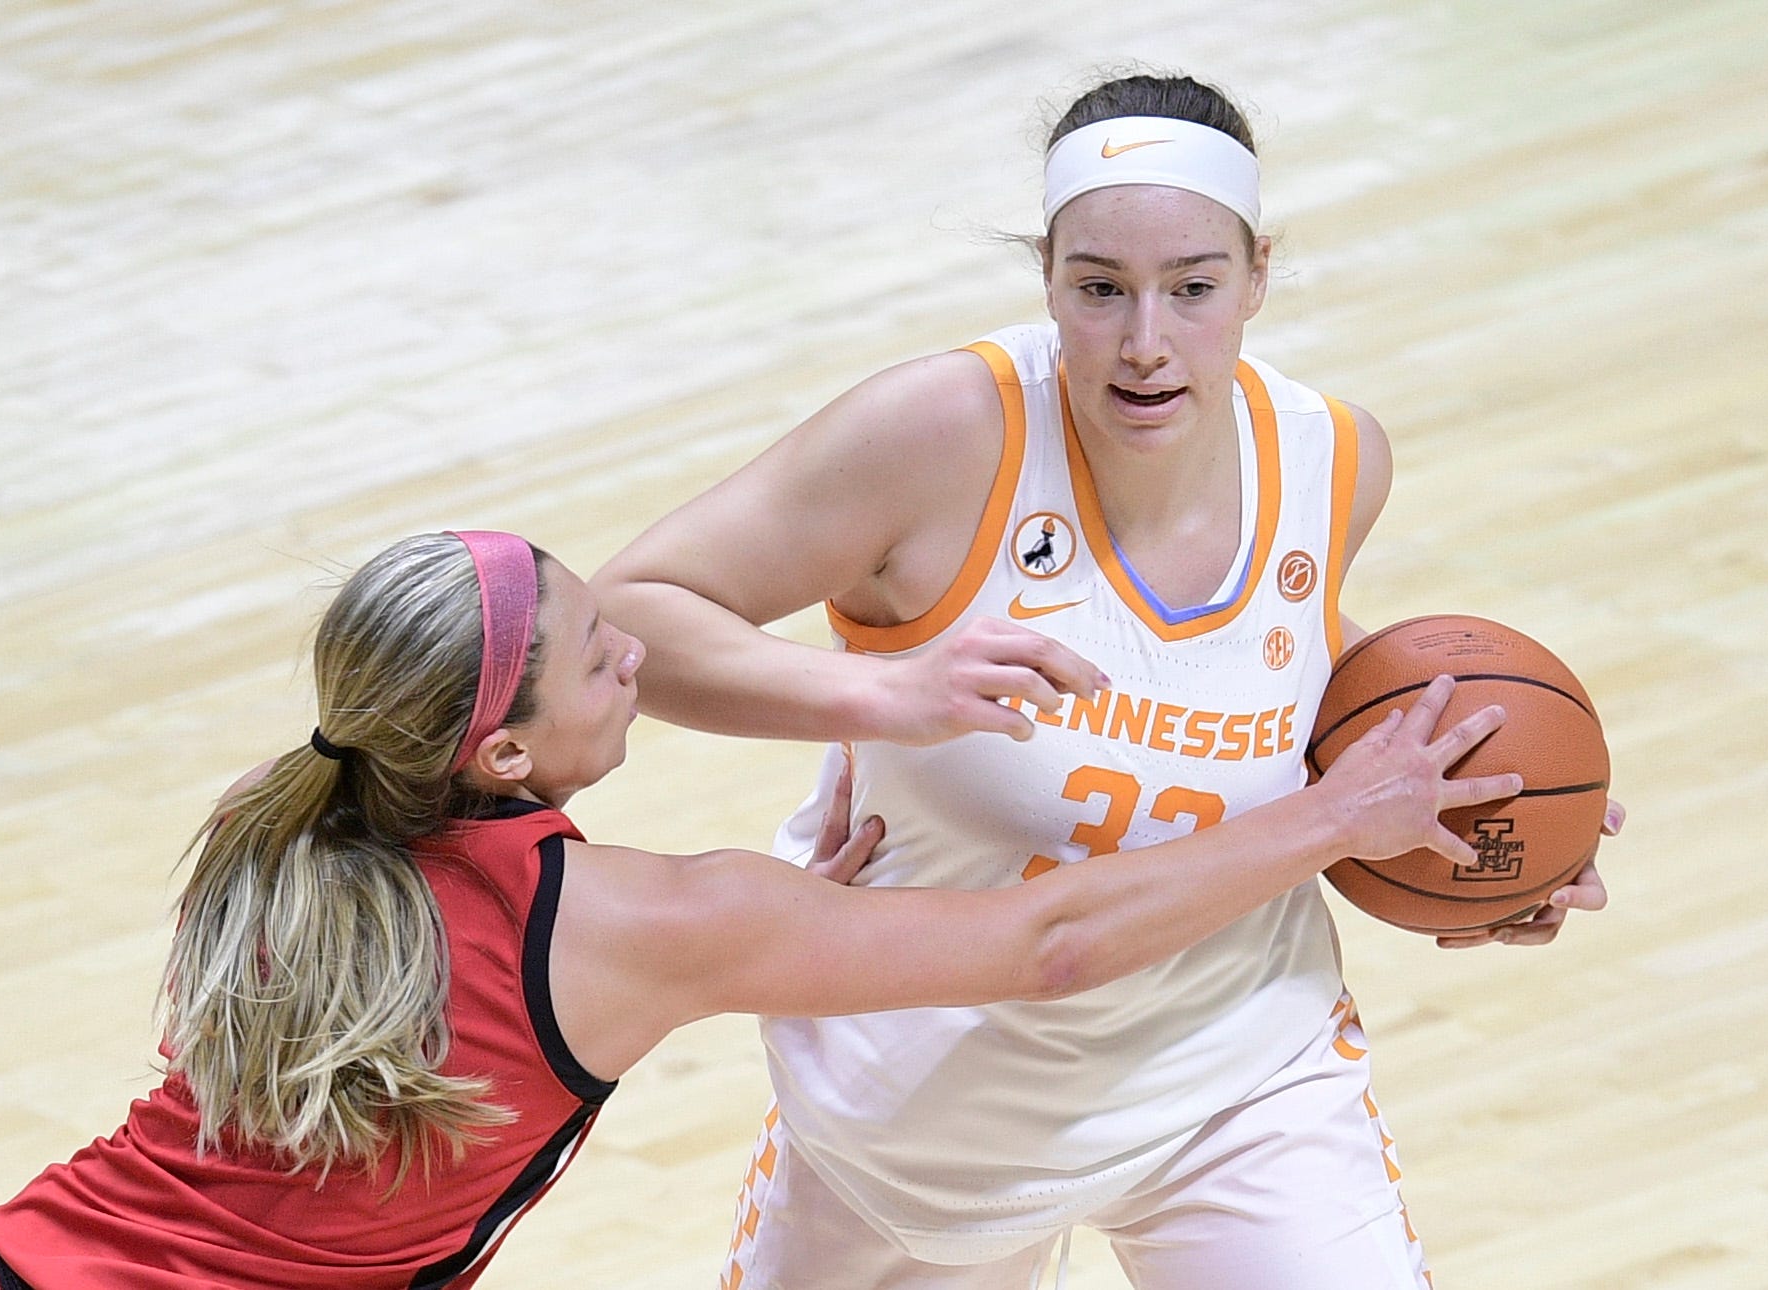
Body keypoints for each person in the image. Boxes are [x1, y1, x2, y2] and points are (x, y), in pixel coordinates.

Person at [594, 74, 1623, 1288]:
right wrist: (879, 692)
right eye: (1100, 290)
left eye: (1192, 288)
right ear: (1047, 281)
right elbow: (623, 620)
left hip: (1238, 1071)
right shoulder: (940, 435)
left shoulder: (1332, 458)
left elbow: (1289, 670)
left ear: (1256, 276)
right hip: (923, 1100)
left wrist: (1482, 835)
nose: (1145, 342)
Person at [0, 529, 1520, 1290]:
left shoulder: (302, 836)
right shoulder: (649, 923)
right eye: (597, 650)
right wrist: (1334, 817)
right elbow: (1057, 943)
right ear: (503, 750)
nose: (637, 646)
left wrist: (790, 919)